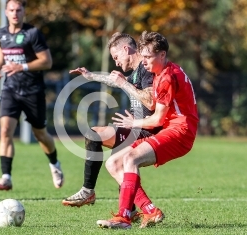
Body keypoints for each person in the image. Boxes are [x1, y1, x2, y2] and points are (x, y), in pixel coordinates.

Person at [96, 31, 199, 229]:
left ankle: (124, 217)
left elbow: (157, 119)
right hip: (171, 129)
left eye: (148, 57)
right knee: (114, 163)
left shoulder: (167, 77)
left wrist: (133, 123)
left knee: (130, 158)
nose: (143, 61)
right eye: (142, 56)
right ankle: (150, 211)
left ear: (162, 55)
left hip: (181, 132)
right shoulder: (162, 73)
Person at [62, 32, 161, 213]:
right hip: (134, 127)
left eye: (116, 57)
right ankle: (126, 208)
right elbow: (117, 82)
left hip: (146, 130)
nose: (116, 62)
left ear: (126, 49)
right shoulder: (137, 71)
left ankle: (91, 193)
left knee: (112, 155)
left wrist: (124, 84)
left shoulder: (146, 68)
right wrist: (91, 76)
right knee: (100, 142)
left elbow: (150, 100)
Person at [0, 0, 63, 191]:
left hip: (33, 91)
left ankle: (54, 164)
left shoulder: (32, 34)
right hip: (10, 90)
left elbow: (46, 62)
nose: (15, 13)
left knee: (40, 134)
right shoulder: (2, 33)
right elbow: (1, 49)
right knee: (5, 130)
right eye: (11, 10)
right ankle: (6, 176)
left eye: (18, 10)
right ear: (6, 12)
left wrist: (21, 66)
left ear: (24, 12)